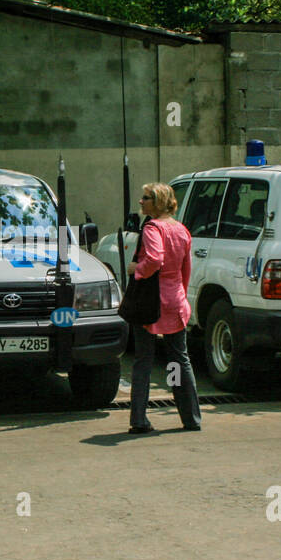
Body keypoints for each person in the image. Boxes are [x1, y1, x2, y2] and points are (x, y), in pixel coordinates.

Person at [128, 182, 202, 434]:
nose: (141, 201)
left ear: (157, 202)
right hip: (175, 300)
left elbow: (155, 258)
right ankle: (190, 417)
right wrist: (180, 295)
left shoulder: (152, 228)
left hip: (151, 301)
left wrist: (136, 270)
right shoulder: (181, 230)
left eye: (145, 197)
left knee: (144, 361)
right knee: (178, 360)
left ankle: (139, 419)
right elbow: (186, 269)